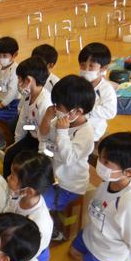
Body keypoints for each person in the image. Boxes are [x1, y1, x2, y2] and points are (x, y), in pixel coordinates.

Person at [69, 132, 131, 261]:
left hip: (109, 248)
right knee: (73, 253)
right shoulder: (109, 180)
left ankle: (124, 259)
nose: (99, 163)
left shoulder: (129, 203)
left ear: (129, 172)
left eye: (106, 162)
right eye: (100, 158)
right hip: (94, 232)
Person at [40, 75, 95, 212]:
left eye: (59, 106)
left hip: (70, 186)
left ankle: (53, 231)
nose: (55, 109)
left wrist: (62, 132)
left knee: (40, 204)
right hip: (53, 175)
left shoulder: (85, 134)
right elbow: (43, 136)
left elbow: (68, 159)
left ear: (76, 111)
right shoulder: (62, 121)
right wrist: (47, 118)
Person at [2, 56, 50, 179]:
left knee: (23, 167)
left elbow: (45, 136)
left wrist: (41, 156)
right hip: (31, 137)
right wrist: (16, 144)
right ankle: (7, 184)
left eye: (19, 79)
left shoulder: (45, 104)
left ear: (28, 80)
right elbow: (22, 122)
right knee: (10, 154)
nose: (18, 83)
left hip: (41, 143)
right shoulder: (28, 95)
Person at [5, 151, 54, 261]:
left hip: (30, 259)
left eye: (12, 176)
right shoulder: (19, 195)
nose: (7, 178)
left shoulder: (39, 224)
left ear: (28, 191)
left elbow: (25, 257)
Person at [78, 43, 117, 142]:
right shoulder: (77, 83)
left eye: (91, 66)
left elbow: (110, 112)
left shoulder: (106, 89)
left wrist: (85, 108)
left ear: (103, 68)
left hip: (95, 133)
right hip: (76, 130)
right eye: (83, 65)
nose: (86, 70)